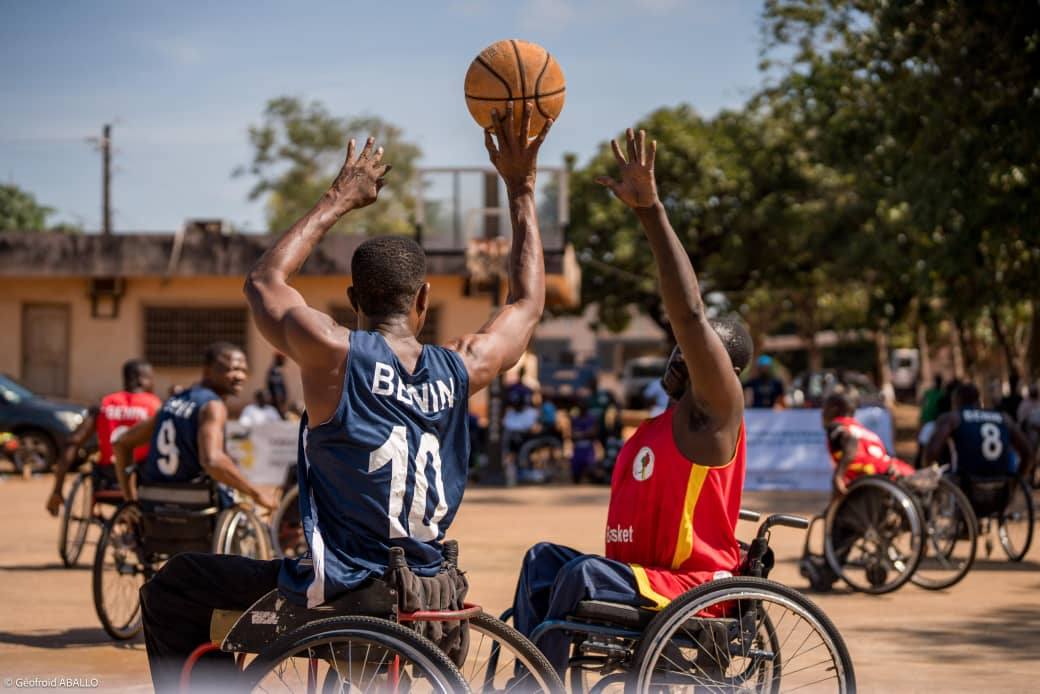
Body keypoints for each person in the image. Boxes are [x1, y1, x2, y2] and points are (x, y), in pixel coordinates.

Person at [138, 103, 552, 690]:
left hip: (350, 590)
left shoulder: (335, 353)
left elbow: (263, 282)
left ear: (354, 298)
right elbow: (528, 302)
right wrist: (520, 187)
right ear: (424, 301)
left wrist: (341, 197)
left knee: (175, 586)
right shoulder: (464, 365)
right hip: (431, 587)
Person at [511, 127, 752, 673]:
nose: (678, 353)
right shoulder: (664, 422)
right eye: (678, 348)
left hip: (691, 588)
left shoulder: (715, 414)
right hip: (640, 575)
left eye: (691, 350)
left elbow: (689, 313)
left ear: (722, 369)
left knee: (579, 577)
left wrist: (651, 213)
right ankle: (523, 677)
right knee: (542, 561)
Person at [112, 342, 277, 514]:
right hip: (195, 507)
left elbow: (121, 443)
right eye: (233, 369)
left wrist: (130, 500)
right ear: (207, 370)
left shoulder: (172, 403)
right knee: (241, 500)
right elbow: (212, 461)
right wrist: (257, 493)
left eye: (244, 370)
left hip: (154, 505)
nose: (240, 376)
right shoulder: (212, 406)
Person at [45, 359, 160, 516]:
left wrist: (57, 490)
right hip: (142, 481)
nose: (154, 383)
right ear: (141, 379)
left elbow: (73, 442)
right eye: (152, 378)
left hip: (108, 480)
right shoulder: (155, 406)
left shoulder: (104, 404)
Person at [925, 382, 1034, 485]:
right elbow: (1028, 453)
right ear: (979, 401)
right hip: (1001, 486)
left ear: (955, 402)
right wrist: (1016, 482)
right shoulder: (1004, 418)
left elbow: (932, 452)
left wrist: (932, 476)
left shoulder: (953, 417)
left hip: (966, 485)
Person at [822, 392, 914, 496]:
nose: (822, 413)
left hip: (877, 475)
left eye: (824, 409)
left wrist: (838, 476)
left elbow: (850, 441)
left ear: (833, 410)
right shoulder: (865, 432)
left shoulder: (837, 425)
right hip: (899, 470)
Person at [266, 352, 288, 419]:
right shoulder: (275, 371)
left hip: (277, 402)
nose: (285, 362)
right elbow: (277, 389)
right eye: (283, 360)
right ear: (279, 359)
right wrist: (280, 404)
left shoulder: (275, 370)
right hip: (277, 403)